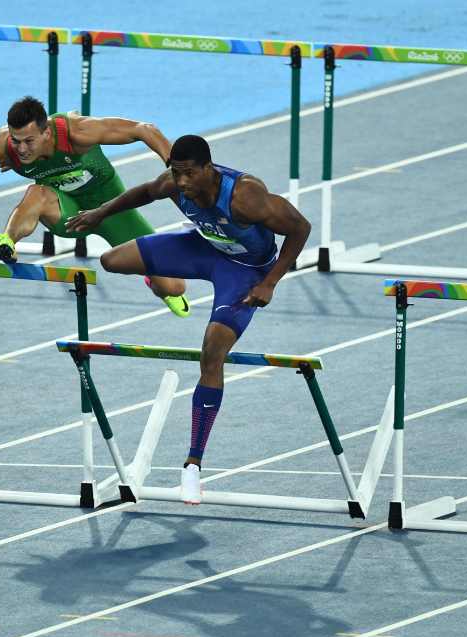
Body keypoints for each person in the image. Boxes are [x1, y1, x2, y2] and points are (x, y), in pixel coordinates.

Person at [66, 134, 312, 504]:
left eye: (188, 174)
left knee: (212, 353)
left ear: (208, 169)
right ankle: (168, 283)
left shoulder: (245, 196)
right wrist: (100, 213)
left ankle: (193, 465)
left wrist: (270, 282)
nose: (181, 183)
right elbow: (143, 193)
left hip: (245, 272)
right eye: (175, 173)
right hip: (203, 249)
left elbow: (300, 228)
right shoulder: (173, 183)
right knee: (111, 261)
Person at [0, 96, 189, 317]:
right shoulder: (2, 146)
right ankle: (8, 241)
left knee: (174, 287)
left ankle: (153, 279)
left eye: (29, 141)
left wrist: (177, 170)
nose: (22, 149)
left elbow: (144, 129)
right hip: (69, 214)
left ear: (46, 133)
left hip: (112, 209)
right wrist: (9, 155)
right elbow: (8, 153)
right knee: (36, 193)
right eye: (16, 141)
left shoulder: (78, 132)